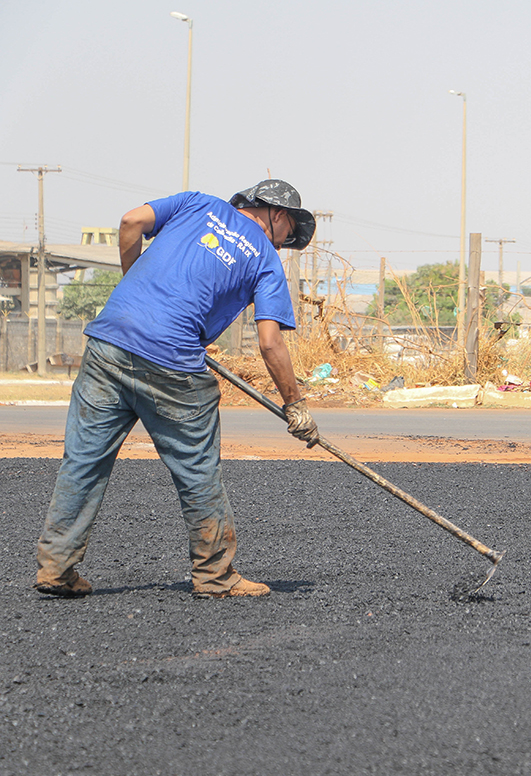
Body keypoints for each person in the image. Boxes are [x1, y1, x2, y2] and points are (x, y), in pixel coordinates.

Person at [34, 179, 321, 600]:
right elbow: (270, 341)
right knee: (197, 469)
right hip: (171, 365)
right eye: (288, 235)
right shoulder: (264, 259)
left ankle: (56, 567)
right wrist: (295, 404)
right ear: (277, 215)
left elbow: (131, 221)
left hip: (108, 344)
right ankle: (215, 576)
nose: (283, 245)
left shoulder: (196, 203)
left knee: (84, 461)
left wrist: (137, 289)